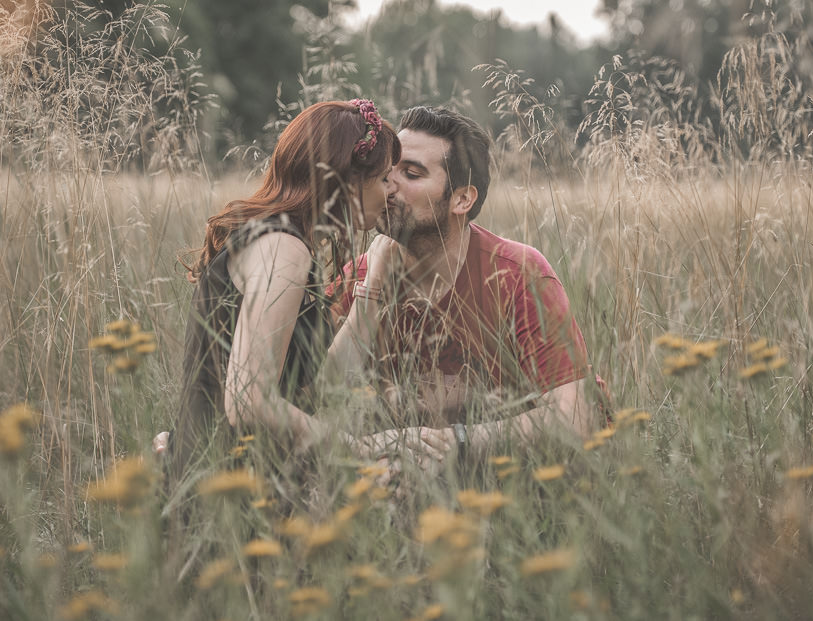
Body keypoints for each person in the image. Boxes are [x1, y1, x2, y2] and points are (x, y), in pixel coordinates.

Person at [325, 106, 602, 468]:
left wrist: (451, 443)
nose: (388, 185)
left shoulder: (517, 274)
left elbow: (577, 417)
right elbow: (317, 398)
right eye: (386, 171)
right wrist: (371, 289)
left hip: (508, 482)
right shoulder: (358, 276)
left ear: (462, 199)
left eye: (410, 173)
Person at [164, 99, 402, 482]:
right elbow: (249, 401)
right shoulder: (282, 248)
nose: (392, 190)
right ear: (347, 180)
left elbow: (319, 387)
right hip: (225, 494)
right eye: (385, 177)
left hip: (225, 473)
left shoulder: (279, 240)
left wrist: (376, 283)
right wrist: (355, 451)